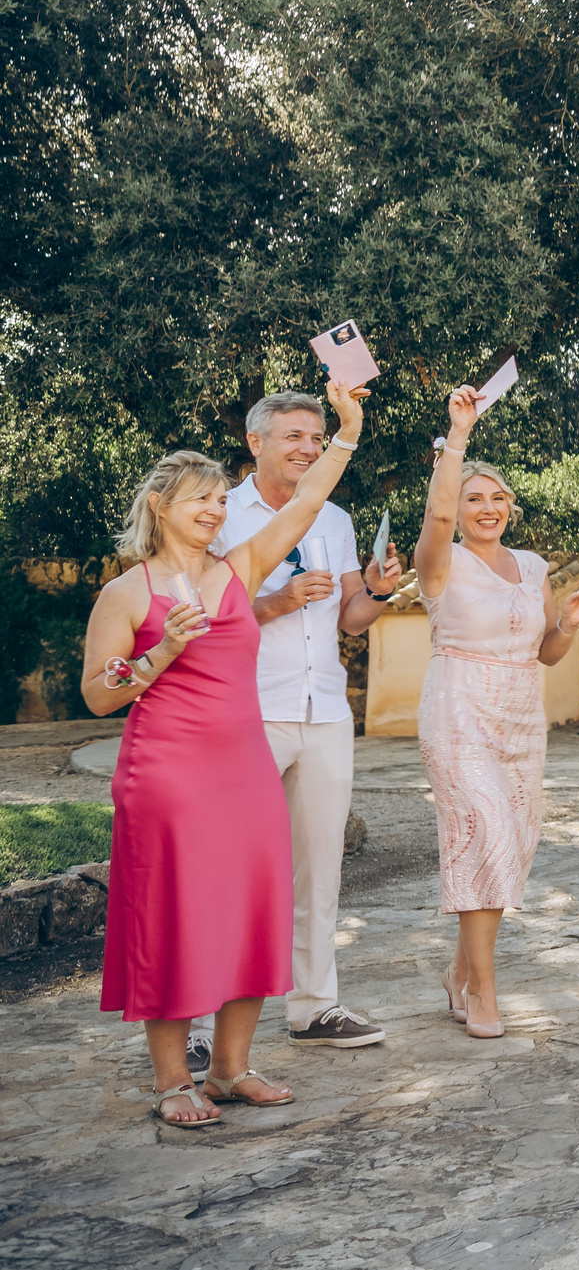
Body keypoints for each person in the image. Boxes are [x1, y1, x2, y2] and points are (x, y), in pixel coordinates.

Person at [80, 380, 366, 1127]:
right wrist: (162, 651)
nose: (213, 509)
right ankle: (174, 1078)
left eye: (217, 499)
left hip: (244, 768)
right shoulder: (127, 593)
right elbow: (101, 695)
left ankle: (234, 1068)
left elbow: (305, 504)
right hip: (167, 773)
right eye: (198, 500)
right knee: (173, 916)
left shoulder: (235, 571)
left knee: (250, 912)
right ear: (160, 509)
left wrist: (347, 430)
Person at [182, 390, 408, 1074]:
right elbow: (194, 609)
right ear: (255, 442)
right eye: (296, 436)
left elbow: (352, 617)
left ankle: (314, 1006)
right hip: (244, 712)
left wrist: (378, 586)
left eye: (317, 437)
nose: (309, 448)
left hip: (325, 714)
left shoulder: (333, 516)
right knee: (225, 869)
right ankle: (196, 1020)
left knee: (320, 866)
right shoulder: (221, 514)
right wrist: (276, 602)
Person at [415, 387, 579, 1036]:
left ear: (511, 508)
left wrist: (570, 622)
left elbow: (547, 651)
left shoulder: (532, 564)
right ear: (458, 508)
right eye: (474, 497)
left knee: (512, 845)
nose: (486, 507)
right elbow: (435, 521)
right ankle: (486, 992)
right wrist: (458, 437)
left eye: (497, 497)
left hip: (521, 713)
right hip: (458, 707)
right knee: (486, 837)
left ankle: (458, 971)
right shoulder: (439, 561)